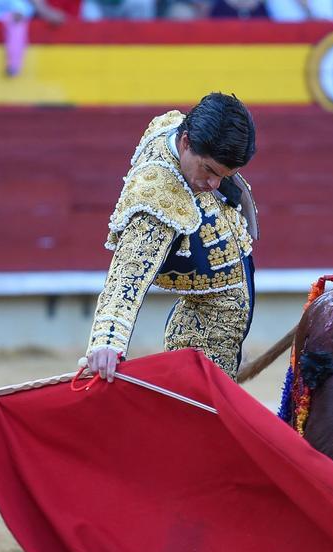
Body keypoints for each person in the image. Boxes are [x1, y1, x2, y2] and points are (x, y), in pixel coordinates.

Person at [86, 93, 259, 382]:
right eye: (209, 170)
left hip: (214, 302)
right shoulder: (158, 198)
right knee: (198, 413)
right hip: (207, 320)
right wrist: (107, 341)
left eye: (224, 175)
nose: (215, 184)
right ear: (186, 143)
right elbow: (128, 272)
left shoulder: (176, 128)